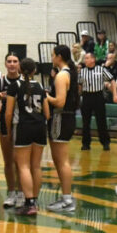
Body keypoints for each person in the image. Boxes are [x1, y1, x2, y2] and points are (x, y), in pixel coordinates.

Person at [7, 58, 50, 216]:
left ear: (19, 69)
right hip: (40, 127)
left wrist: (9, 129)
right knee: (36, 166)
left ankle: (29, 201)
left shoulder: (15, 86)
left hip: (23, 127)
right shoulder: (40, 86)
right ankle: (35, 200)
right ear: (34, 71)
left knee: (23, 166)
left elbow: (9, 112)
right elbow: (47, 113)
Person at [45, 45, 79, 213]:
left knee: (62, 161)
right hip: (66, 118)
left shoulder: (61, 75)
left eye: (53, 55)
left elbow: (59, 102)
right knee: (59, 161)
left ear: (59, 56)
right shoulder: (68, 73)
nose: (52, 58)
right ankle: (65, 198)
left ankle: (67, 200)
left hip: (61, 118)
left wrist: (46, 97)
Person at [0, 54, 22, 207]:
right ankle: (11, 193)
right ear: (5, 64)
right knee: (8, 161)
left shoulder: (24, 82)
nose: (12, 64)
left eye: (15, 61)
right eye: (9, 61)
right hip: (5, 124)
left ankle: (22, 193)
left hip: (21, 124)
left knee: (21, 162)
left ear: (19, 64)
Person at [78, 52, 113, 151]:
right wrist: (78, 97)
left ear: (93, 59)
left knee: (101, 121)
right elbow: (79, 86)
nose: (85, 60)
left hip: (98, 96)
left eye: (87, 58)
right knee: (85, 122)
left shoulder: (101, 69)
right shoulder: (82, 72)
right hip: (86, 97)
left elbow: (112, 80)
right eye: (85, 58)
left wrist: (114, 94)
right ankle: (86, 144)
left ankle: (105, 142)